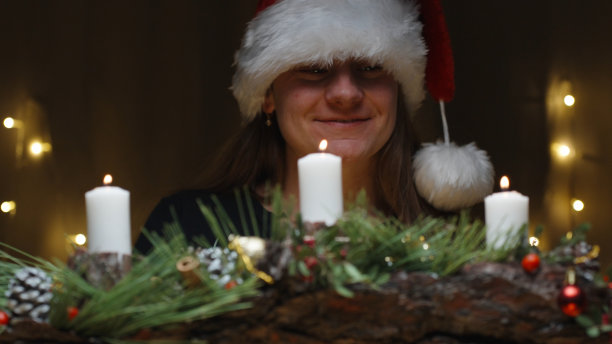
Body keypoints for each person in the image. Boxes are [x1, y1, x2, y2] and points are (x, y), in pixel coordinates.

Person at [135, 0, 493, 254]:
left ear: (398, 89)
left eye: (370, 68)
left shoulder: (451, 241)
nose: (345, 93)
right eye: (314, 69)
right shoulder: (186, 226)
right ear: (268, 96)